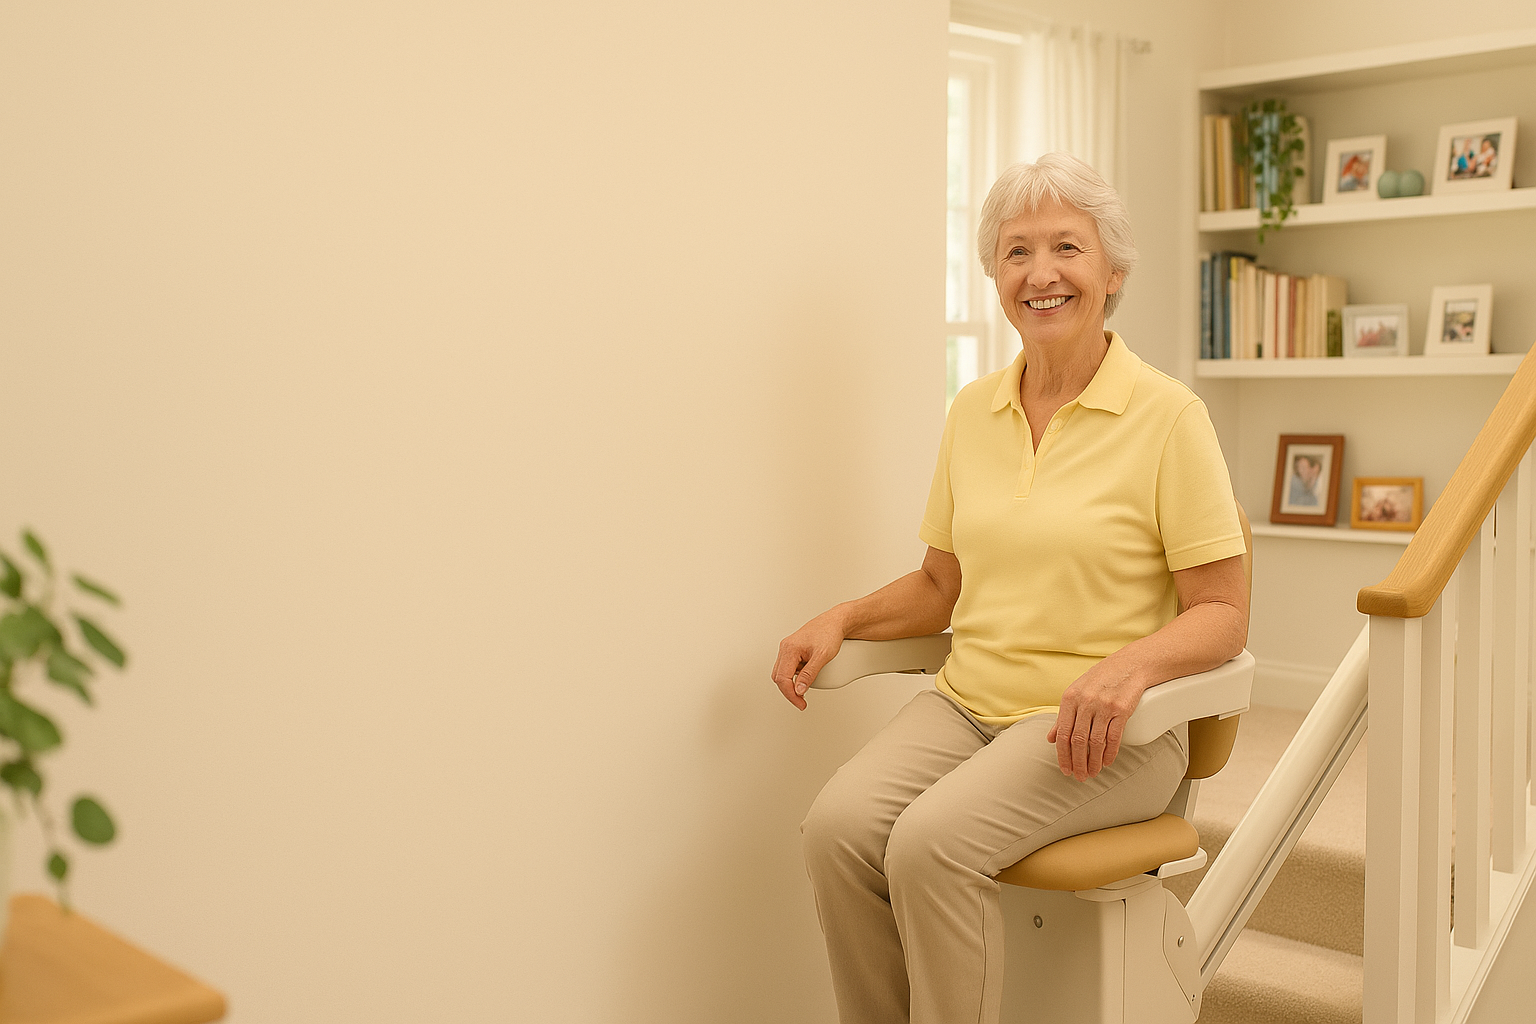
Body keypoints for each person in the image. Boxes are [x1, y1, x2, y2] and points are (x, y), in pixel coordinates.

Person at [772, 153, 1249, 1024]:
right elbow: (939, 584)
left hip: (1105, 732)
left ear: (1111, 272)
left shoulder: (1169, 415)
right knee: (836, 830)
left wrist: (1131, 666)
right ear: (996, 276)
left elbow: (1221, 612)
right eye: (1016, 250)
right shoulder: (974, 411)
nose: (1041, 272)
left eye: (1067, 246)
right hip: (970, 708)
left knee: (927, 844)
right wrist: (846, 616)